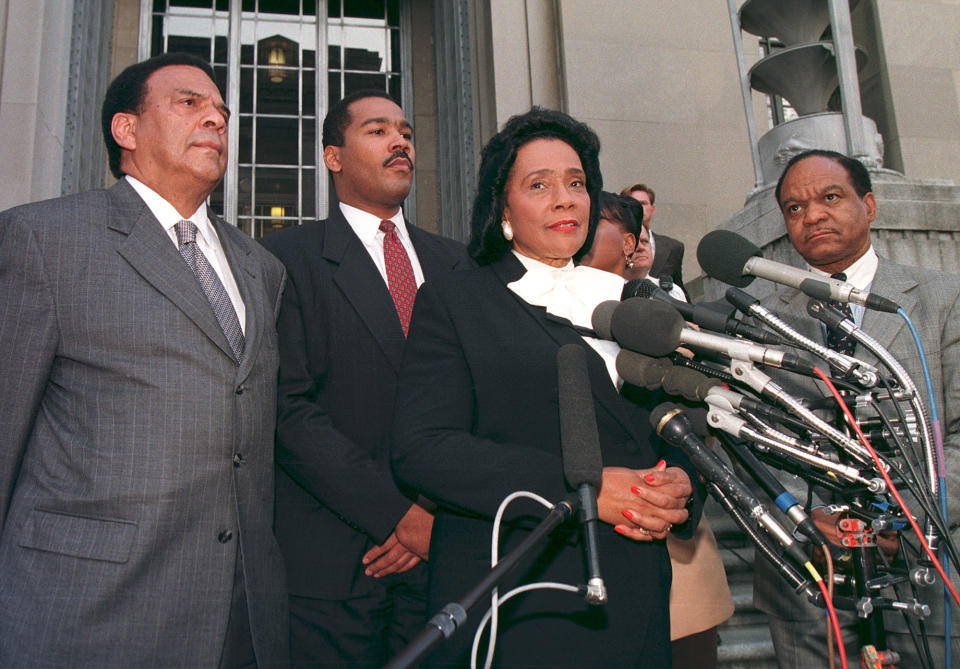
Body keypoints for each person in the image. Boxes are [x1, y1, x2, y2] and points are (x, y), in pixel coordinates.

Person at [0, 52, 288, 666]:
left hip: (239, 617)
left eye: (222, 112)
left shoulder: (262, 268)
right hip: (89, 610)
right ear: (126, 130)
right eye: (190, 103)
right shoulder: (42, 239)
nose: (215, 118)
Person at [391, 107, 703, 667]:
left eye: (577, 183)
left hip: (636, 595)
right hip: (523, 593)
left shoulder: (636, 306)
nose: (565, 199)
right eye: (540, 185)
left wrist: (683, 481)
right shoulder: (457, 300)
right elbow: (423, 449)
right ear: (502, 209)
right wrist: (577, 489)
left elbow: (678, 427)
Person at [260, 89, 470, 667]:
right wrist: (397, 516)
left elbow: (478, 397)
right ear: (333, 156)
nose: (400, 141)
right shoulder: (282, 260)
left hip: (445, 556)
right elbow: (288, 409)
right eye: (378, 130)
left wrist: (432, 513)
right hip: (334, 565)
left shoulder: (457, 263)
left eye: (406, 131)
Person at [752, 149, 960, 667]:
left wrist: (903, 523)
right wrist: (803, 517)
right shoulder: (753, 314)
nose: (813, 215)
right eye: (794, 208)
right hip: (808, 578)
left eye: (830, 197)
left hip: (927, 567)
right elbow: (745, 439)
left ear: (868, 205)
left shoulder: (942, 297)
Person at [580, 191, 734, 668]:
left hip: (671, 535)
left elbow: (699, 411)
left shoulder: (665, 320)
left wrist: (679, 487)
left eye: (594, 220)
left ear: (630, 243)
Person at [621, 182, 686, 293]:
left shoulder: (674, 247)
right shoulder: (613, 240)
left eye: (643, 203)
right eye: (633, 203)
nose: (640, 247)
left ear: (652, 209)